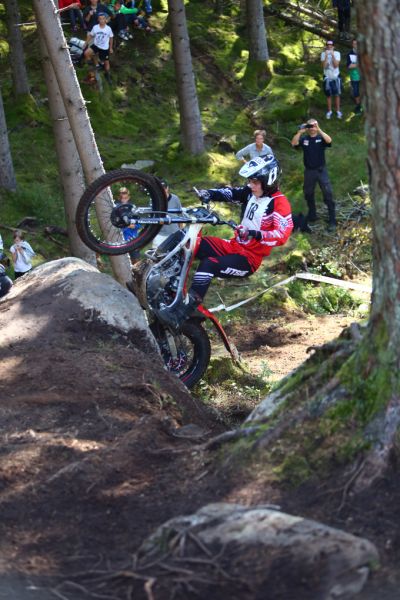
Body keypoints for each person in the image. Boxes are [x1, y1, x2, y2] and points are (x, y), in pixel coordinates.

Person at [158, 155, 293, 330]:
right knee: (192, 242)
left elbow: (281, 235)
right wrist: (210, 193)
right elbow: (232, 193)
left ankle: (184, 312)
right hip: (233, 246)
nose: (251, 185)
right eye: (250, 181)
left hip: (249, 259)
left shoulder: (279, 203)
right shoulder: (251, 192)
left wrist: (254, 233)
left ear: (269, 180)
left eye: (255, 182)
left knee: (209, 264)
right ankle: (166, 286)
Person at [291, 118, 336, 231]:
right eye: (310, 126)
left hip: (321, 170)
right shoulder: (304, 139)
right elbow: (294, 143)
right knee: (308, 193)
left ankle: (332, 220)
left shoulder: (321, 138)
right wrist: (299, 132)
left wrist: (319, 129)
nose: (312, 128)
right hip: (309, 171)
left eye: (313, 126)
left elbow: (329, 141)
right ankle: (312, 215)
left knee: (328, 193)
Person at [152, 180, 183, 248]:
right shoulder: (154, 200)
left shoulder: (175, 198)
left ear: (167, 188)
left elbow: (180, 216)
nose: (163, 191)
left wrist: (180, 231)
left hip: (174, 233)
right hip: (159, 234)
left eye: (164, 188)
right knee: (156, 252)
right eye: (160, 189)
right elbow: (152, 217)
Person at [84, 12, 114, 83]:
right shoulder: (95, 27)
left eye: (103, 19)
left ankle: (107, 75)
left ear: (105, 20)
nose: (101, 20)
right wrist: (86, 43)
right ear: (98, 20)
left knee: (106, 62)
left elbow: (111, 38)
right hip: (96, 45)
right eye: (100, 19)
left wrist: (111, 48)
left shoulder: (108, 29)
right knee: (86, 53)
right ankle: (92, 68)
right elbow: (91, 35)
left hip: (104, 48)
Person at [117, 187, 141, 264]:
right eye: (122, 198)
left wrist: (135, 226)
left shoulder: (133, 208)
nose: (124, 200)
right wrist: (125, 227)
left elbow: (139, 224)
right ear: (119, 198)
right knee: (123, 262)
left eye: (125, 198)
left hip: (133, 239)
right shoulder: (116, 209)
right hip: (121, 239)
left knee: (135, 261)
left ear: (128, 197)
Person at [321, 40, 342, 119]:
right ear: (326, 46)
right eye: (328, 45)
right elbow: (324, 66)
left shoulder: (337, 53)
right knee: (328, 95)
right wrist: (326, 56)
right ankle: (329, 111)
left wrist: (332, 55)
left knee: (337, 94)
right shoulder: (323, 54)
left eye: (331, 45)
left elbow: (336, 65)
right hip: (327, 77)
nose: (329, 47)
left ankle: (338, 111)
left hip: (336, 76)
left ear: (333, 46)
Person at [347, 39, 362, 115]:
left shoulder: (362, 53)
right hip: (354, 76)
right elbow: (349, 66)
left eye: (357, 43)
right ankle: (358, 106)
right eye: (354, 44)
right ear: (352, 45)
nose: (356, 45)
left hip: (363, 77)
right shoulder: (350, 54)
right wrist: (359, 64)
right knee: (356, 92)